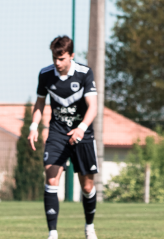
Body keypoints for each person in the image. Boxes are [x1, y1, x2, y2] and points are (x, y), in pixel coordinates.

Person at [29, 36, 99, 239]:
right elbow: (40, 103)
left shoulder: (85, 73)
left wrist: (81, 128)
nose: (57, 63)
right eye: (54, 58)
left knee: (87, 186)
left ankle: (89, 227)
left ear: (71, 56)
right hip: (58, 133)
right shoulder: (45, 75)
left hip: (82, 134)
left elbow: (93, 107)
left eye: (61, 58)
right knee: (51, 178)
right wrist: (34, 126)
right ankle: (52, 233)